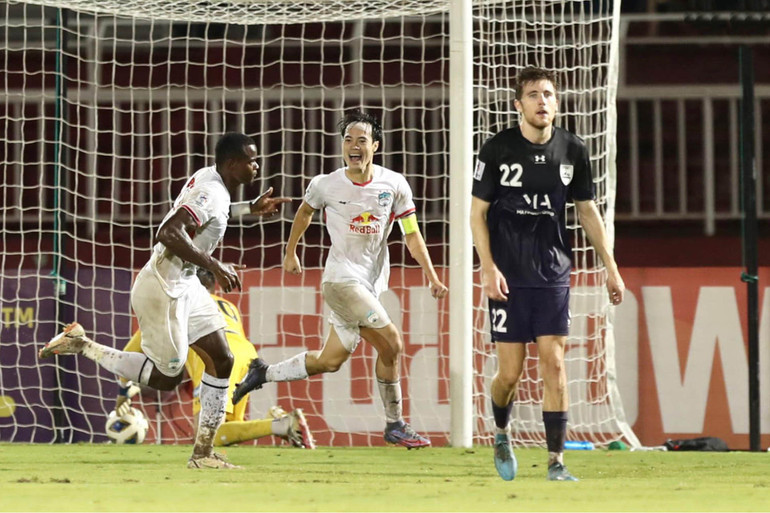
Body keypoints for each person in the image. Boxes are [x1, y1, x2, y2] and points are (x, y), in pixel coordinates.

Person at [39, 132, 290, 468]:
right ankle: (82, 345)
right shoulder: (212, 190)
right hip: (163, 287)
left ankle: (203, 454)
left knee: (223, 358)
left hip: (186, 285)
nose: (257, 166)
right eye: (251, 160)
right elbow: (169, 232)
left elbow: (213, 212)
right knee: (167, 378)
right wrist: (214, 264)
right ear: (232, 164)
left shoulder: (211, 179)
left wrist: (249, 208)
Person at [231, 110, 448, 449]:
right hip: (341, 281)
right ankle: (395, 424)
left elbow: (412, 234)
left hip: (369, 283)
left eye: (362, 140)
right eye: (348, 140)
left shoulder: (394, 185)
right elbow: (304, 211)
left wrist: (432, 276)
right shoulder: (326, 184)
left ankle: (262, 372)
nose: (353, 146)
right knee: (392, 343)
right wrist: (291, 252)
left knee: (329, 361)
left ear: (375, 145)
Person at [469, 67, 625, 481]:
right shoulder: (497, 149)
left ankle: (556, 461)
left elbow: (587, 211)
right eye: (534, 94)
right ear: (518, 104)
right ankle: (501, 431)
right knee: (509, 373)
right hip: (508, 275)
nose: (543, 101)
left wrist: (611, 268)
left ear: (557, 103)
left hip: (553, 272)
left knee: (554, 363)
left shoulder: (573, 150)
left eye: (549, 94)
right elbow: (477, 213)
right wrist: (487, 267)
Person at [114, 268, 315, 449]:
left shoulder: (179, 305)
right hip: (246, 356)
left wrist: (123, 391)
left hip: (215, 360)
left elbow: (129, 352)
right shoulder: (228, 305)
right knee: (225, 432)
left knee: (206, 435)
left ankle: (284, 425)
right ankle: (274, 419)